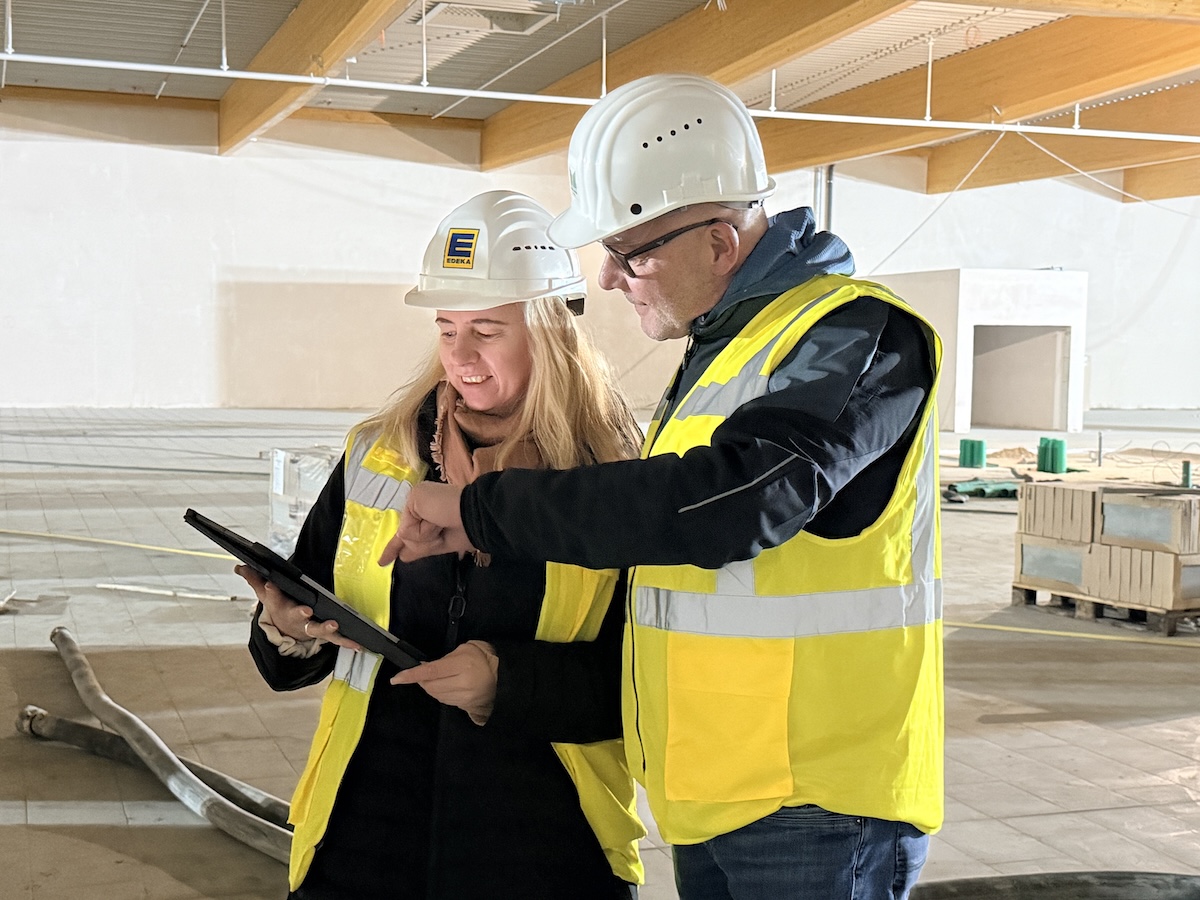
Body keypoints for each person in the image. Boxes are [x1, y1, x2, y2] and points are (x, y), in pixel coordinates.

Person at [382, 74, 945, 900]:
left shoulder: (856, 337)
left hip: (816, 807)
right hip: (713, 796)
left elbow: (733, 501)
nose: (609, 281)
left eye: (630, 252)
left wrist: (482, 509)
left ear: (721, 241)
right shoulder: (725, 349)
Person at [240, 190, 646, 900]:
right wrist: (286, 630)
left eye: (487, 330)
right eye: (446, 328)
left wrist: (507, 683)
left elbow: (645, 682)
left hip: (542, 839)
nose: (460, 357)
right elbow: (303, 630)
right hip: (365, 829)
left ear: (550, 331)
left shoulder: (612, 478)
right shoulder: (377, 454)